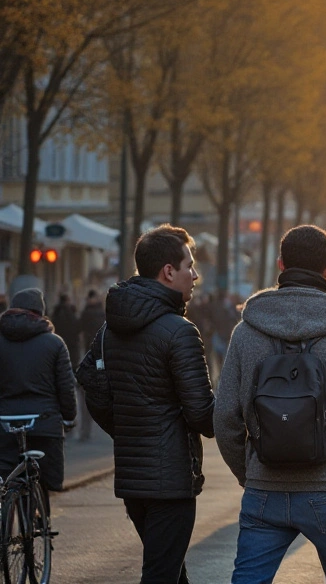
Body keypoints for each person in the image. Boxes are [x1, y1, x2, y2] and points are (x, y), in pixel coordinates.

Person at [214, 225, 326, 584]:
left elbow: (224, 416)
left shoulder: (246, 333)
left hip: (264, 489)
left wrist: (248, 475)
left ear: (280, 265)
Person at [84, 225, 214, 584]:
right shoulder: (179, 331)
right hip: (170, 482)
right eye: (190, 265)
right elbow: (203, 414)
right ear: (168, 272)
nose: (195, 274)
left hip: (133, 480)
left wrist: (127, 426)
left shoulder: (112, 328)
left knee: (171, 571)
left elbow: (91, 383)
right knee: (161, 573)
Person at [0, 289, 77, 493]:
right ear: (40, 312)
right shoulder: (54, 343)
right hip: (44, 422)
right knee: (43, 479)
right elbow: (66, 386)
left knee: (5, 478)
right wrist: (69, 417)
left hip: (4, 422)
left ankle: (7, 513)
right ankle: (41, 518)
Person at [74, 289, 106, 442]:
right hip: (102, 356)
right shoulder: (103, 313)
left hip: (89, 354)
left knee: (86, 389)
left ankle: (85, 427)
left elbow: (79, 332)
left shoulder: (87, 313)